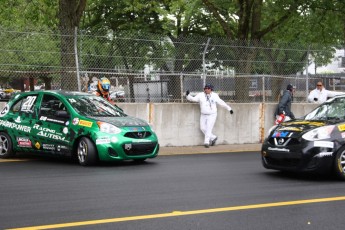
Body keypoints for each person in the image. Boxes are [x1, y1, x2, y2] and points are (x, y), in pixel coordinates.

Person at [186, 83, 234, 148]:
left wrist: (229, 108)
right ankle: (213, 137)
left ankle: (206, 142)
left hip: (212, 115)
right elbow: (193, 99)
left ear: (211, 89)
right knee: (202, 128)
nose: (206, 89)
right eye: (205, 88)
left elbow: (221, 103)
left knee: (208, 128)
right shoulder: (201, 95)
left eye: (207, 88)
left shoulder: (214, 95)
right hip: (203, 114)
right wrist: (188, 95)